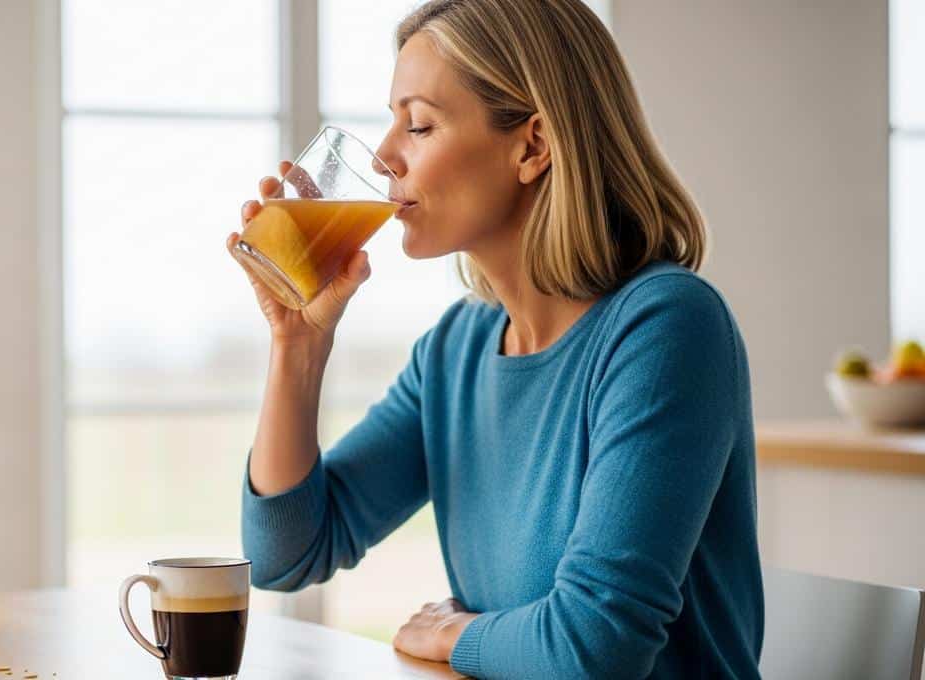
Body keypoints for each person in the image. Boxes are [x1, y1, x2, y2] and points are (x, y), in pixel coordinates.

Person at [225, 1, 763, 677]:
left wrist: (457, 635)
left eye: (419, 124)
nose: (386, 156)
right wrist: (296, 349)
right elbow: (286, 554)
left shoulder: (664, 329)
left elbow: (595, 648)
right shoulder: (458, 349)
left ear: (532, 146)